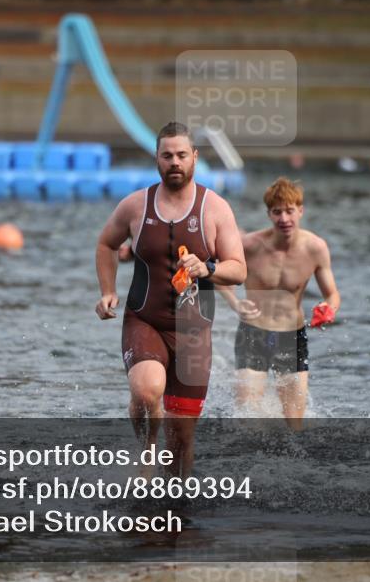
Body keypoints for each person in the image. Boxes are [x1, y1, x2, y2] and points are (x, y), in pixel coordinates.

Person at [95, 122, 245, 477]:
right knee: (147, 391)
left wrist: (207, 268)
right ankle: (146, 451)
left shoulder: (215, 208)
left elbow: (238, 270)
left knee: (181, 445)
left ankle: (176, 513)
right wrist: (107, 290)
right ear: (157, 160)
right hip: (144, 320)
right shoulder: (135, 205)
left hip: (194, 333)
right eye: (167, 156)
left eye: (181, 155)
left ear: (194, 157)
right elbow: (105, 244)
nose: (174, 162)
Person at [218, 178, 340, 430]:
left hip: (291, 336)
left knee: (295, 423)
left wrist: (328, 309)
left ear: (301, 211)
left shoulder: (316, 248)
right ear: (268, 214)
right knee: (247, 416)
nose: (284, 218)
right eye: (277, 212)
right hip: (253, 333)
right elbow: (216, 274)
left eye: (289, 211)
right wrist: (234, 303)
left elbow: (332, 294)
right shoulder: (249, 245)